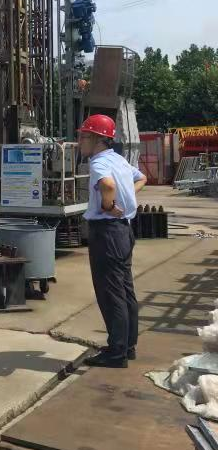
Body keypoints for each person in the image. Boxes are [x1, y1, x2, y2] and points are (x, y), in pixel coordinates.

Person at [79, 114, 147, 368]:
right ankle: (127, 346)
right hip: (124, 231)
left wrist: (109, 205)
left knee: (111, 293)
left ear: (96, 138)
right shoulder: (119, 159)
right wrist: (127, 200)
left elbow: (107, 185)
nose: (80, 142)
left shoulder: (98, 162)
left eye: (83, 136)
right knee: (125, 289)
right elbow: (142, 178)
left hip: (107, 232)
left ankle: (116, 353)